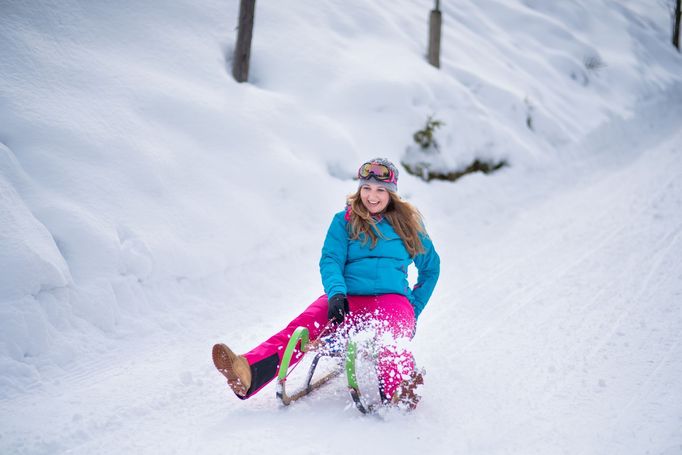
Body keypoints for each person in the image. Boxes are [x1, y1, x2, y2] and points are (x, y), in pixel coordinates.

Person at [212, 158, 440, 408]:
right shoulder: (344, 221)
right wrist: (336, 294)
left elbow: (430, 268)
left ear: (392, 193)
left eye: (380, 190)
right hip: (348, 298)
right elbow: (331, 260)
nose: (372, 196)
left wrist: (413, 308)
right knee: (303, 326)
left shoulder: (409, 226)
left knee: (389, 337)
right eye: (366, 188)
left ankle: (400, 388)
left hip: (392, 301)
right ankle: (248, 372)